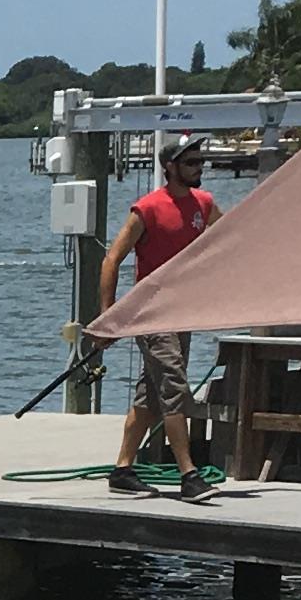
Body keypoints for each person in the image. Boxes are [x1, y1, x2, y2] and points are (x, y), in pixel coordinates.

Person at [97, 137, 222, 495]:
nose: (199, 167)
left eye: (200, 161)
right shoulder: (147, 209)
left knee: (150, 394)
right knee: (174, 388)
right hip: (150, 314)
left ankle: (122, 470)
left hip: (181, 313)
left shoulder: (205, 203)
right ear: (170, 167)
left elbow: (230, 239)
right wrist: (109, 316)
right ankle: (188, 475)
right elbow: (111, 260)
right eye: (191, 162)